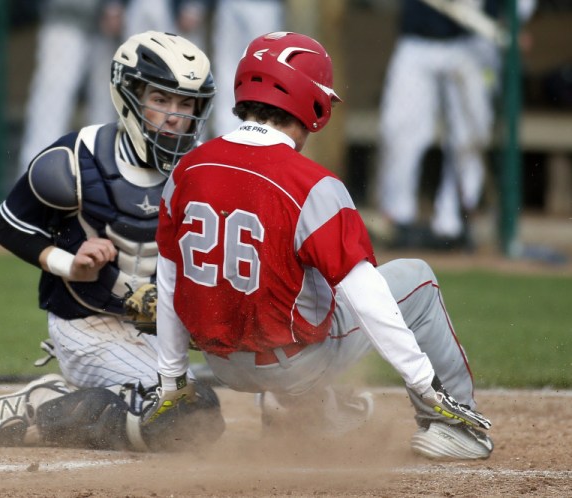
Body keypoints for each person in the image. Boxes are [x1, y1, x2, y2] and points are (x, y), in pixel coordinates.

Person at [148, 31, 494, 460]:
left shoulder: (188, 168)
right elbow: (369, 299)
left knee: (297, 279)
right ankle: (453, 424)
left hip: (221, 363)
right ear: (311, 102)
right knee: (415, 281)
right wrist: (427, 385)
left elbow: (169, 278)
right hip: (291, 366)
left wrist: (170, 381)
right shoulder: (313, 184)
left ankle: (314, 416)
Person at [0, 31, 224, 452]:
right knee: (186, 417)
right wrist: (69, 262)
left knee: (193, 421)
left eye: (186, 103)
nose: (175, 116)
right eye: (161, 99)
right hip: (88, 326)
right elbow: (9, 226)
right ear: (130, 95)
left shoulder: (203, 172)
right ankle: (37, 405)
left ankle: (94, 404)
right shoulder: (76, 159)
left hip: (154, 326)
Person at [377, 0, 534, 250]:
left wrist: (511, 23)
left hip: (472, 40)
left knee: (469, 138)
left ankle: (454, 223)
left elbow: (521, 8)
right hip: (417, 37)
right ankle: (398, 220)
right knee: (399, 130)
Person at [16, 0, 124, 177]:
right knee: (52, 97)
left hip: (111, 24)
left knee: (107, 102)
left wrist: (114, 5)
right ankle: (37, 171)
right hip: (66, 14)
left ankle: (102, 173)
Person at [209, 0, 285, 138]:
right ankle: (226, 133)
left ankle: (260, 131)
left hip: (264, 6)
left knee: (264, 68)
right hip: (230, 4)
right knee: (226, 67)